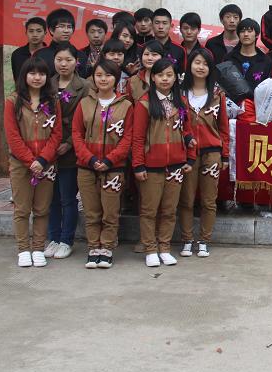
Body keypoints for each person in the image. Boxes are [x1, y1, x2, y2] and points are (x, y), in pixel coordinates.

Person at [132, 58, 195, 267]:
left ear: (175, 77)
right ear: (153, 77)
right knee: (149, 210)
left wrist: (190, 156)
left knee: (169, 210)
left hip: (176, 164)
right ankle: (150, 249)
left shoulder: (181, 102)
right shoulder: (144, 103)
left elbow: (187, 130)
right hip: (151, 165)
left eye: (169, 75)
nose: (165, 79)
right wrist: (138, 164)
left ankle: (165, 247)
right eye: (160, 75)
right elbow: (137, 137)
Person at [72, 59, 134, 269]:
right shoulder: (85, 103)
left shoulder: (126, 105)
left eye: (108, 75)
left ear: (115, 78)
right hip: (86, 166)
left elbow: (127, 138)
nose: (103, 79)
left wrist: (109, 160)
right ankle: (93, 247)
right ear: (93, 78)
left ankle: (107, 247)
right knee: (91, 211)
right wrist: (89, 158)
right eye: (99, 75)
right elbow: (76, 134)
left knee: (110, 211)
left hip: (113, 168)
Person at [4, 57, 62, 267]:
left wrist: (43, 159)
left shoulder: (53, 101)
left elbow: (57, 134)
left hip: (47, 164)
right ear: (24, 76)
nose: (37, 78)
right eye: (32, 73)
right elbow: (12, 136)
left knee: (42, 209)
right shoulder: (13, 101)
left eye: (42, 74)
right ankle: (23, 250)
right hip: (21, 164)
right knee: (22, 209)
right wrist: (31, 161)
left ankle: (38, 248)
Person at [178, 49, 229, 259]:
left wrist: (225, 155)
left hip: (212, 153)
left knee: (209, 200)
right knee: (186, 199)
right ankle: (187, 239)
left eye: (205, 64)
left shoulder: (217, 94)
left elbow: (224, 127)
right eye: (197, 62)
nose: (200, 67)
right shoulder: (180, 93)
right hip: (186, 154)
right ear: (190, 65)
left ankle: (204, 240)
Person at [44, 42, 89, 260]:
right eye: (59, 60)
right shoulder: (47, 84)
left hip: (71, 150)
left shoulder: (85, 86)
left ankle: (66, 240)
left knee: (68, 197)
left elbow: (85, 120)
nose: (63, 64)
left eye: (68, 60)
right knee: (51, 197)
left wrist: (69, 142)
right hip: (48, 150)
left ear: (76, 62)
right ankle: (53, 237)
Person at [226, 18, 272, 93]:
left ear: (257, 35)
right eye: (242, 31)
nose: (246, 34)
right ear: (238, 35)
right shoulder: (229, 58)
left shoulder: (265, 61)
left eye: (249, 31)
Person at [35, 8, 75, 77]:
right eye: (61, 26)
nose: (66, 30)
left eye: (69, 27)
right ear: (51, 30)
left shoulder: (81, 56)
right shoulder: (40, 55)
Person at [11, 17, 47, 81]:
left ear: (45, 33)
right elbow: (17, 78)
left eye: (39, 31)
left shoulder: (51, 54)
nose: (35, 35)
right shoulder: (17, 54)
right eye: (31, 31)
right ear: (26, 33)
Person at [152, 8, 185, 73]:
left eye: (164, 23)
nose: (160, 27)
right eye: (157, 23)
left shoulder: (180, 50)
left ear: (171, 26)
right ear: (152, 25)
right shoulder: (145, 48)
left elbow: (182, 75)